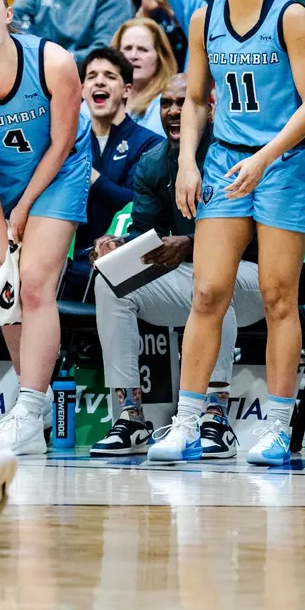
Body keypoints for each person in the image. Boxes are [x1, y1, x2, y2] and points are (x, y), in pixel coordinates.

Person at [148, 0, 305, 466]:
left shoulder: (290, 15)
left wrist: (263, 158)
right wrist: (187, 162)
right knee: (207, 292)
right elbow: (195, 99)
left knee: (277, 298)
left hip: (282, 164)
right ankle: (186, 423)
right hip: (225, 159)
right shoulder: (204, 18)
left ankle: (276, 428)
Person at [89, 73, 264, 459]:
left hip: (254, 278)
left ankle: (215, 418)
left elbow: (256, 236)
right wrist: (116, 248)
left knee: (213, 279)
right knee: (111, 283)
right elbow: (144, 235)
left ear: (209, 110)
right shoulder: (153, 162)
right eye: (166, 103)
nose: (172, 111)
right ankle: (130, 417)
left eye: (182, 103)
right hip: (194, 277)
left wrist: (190, 245)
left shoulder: (234, 154)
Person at [0, 0, 91, 455]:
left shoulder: (53, 61)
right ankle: (33, 401)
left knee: (34, 282)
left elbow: (61, 143)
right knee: (5, 285)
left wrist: (24, 206)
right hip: (4, 179)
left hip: (59, 172)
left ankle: (30, 410)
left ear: (8, 14)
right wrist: (3, 226)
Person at [78, 46, 163, 251]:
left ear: (127, 90)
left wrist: (90, 175)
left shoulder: (150, 144)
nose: (99, 81)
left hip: (124, 256)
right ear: (82, 89)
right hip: (72, 258)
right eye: (91, 76)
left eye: (110, 76)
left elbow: (137, 204)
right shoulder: (72, 144)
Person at [111, 17, 177, 137]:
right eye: (127, 48)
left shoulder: (165, 103)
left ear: (160, 57)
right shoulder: (102, 94)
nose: (133, 56)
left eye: (143, 49)